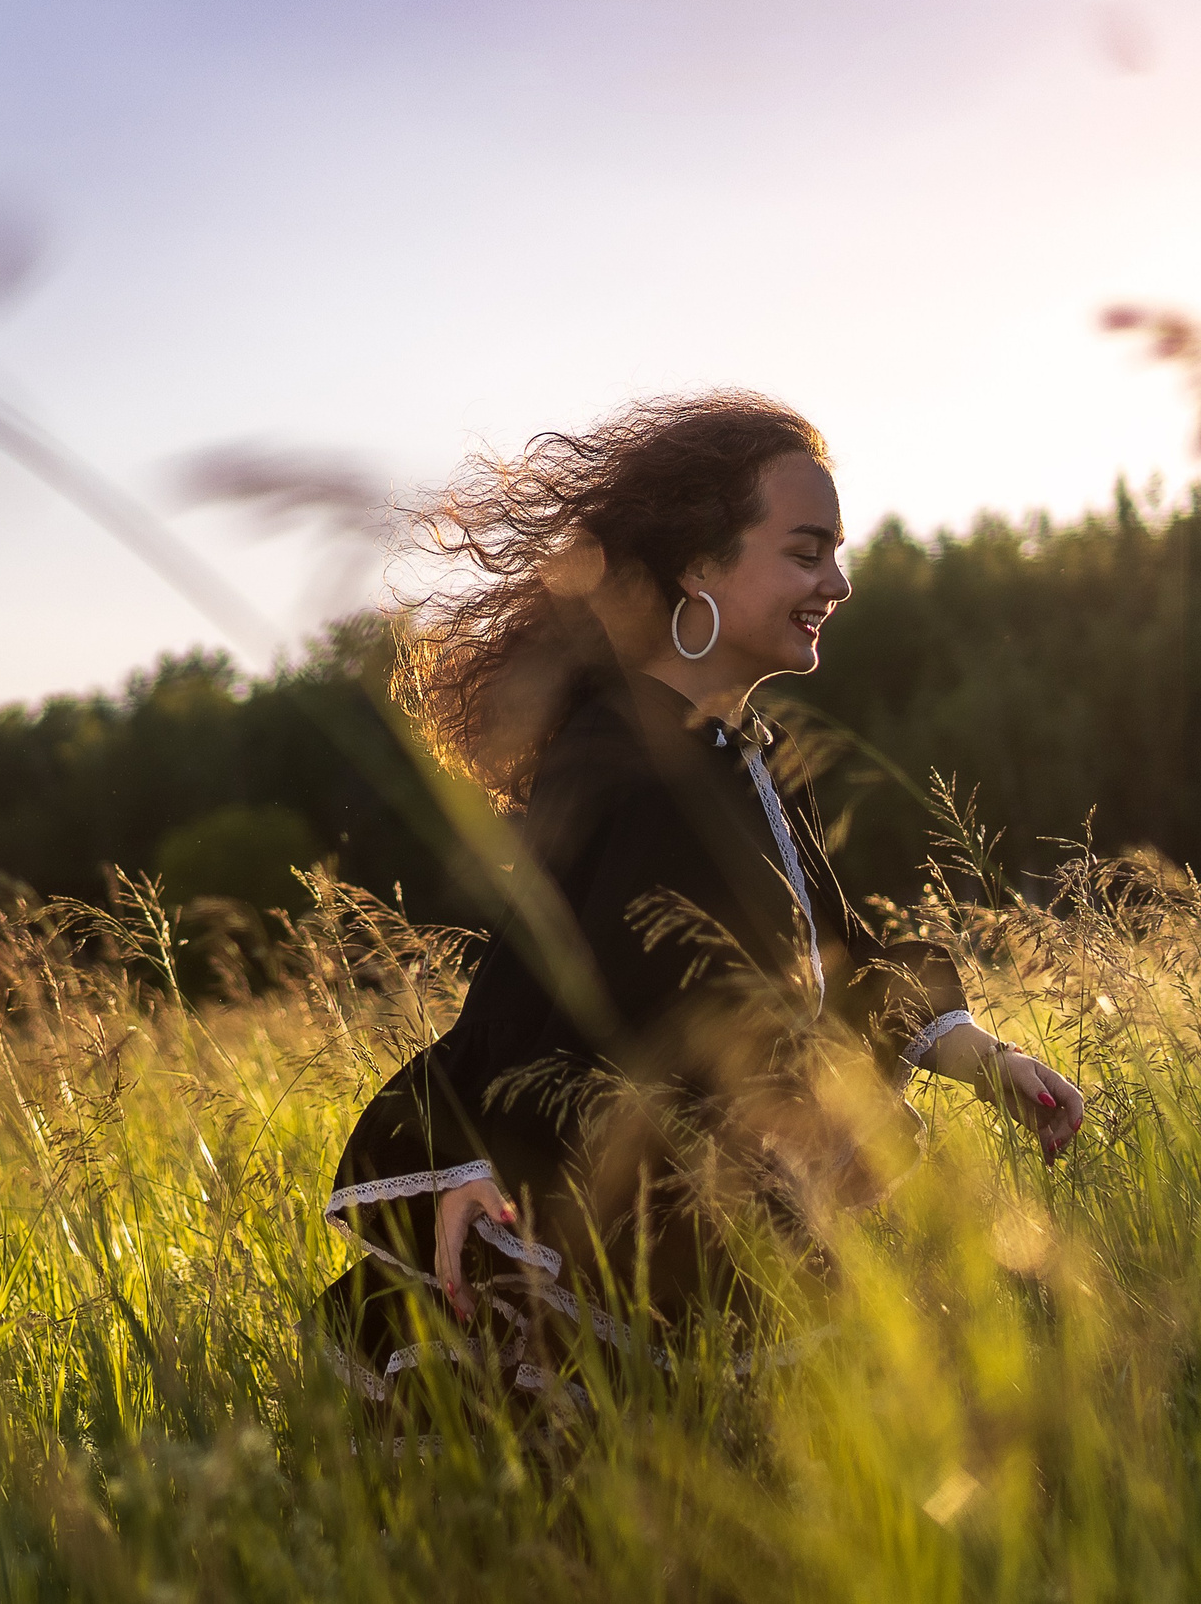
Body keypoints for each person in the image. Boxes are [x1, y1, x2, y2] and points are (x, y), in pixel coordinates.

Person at [314, 393, 1085, 1410]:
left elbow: (835, 969)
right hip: (638, 1237)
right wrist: (458, 1160)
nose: (838, 583)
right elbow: (517, 995)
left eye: (836, 554)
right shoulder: (620, 756)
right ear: (697, 565)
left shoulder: (752, 754)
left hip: (767, 1206)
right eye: (806, 552)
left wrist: (994, 1063)